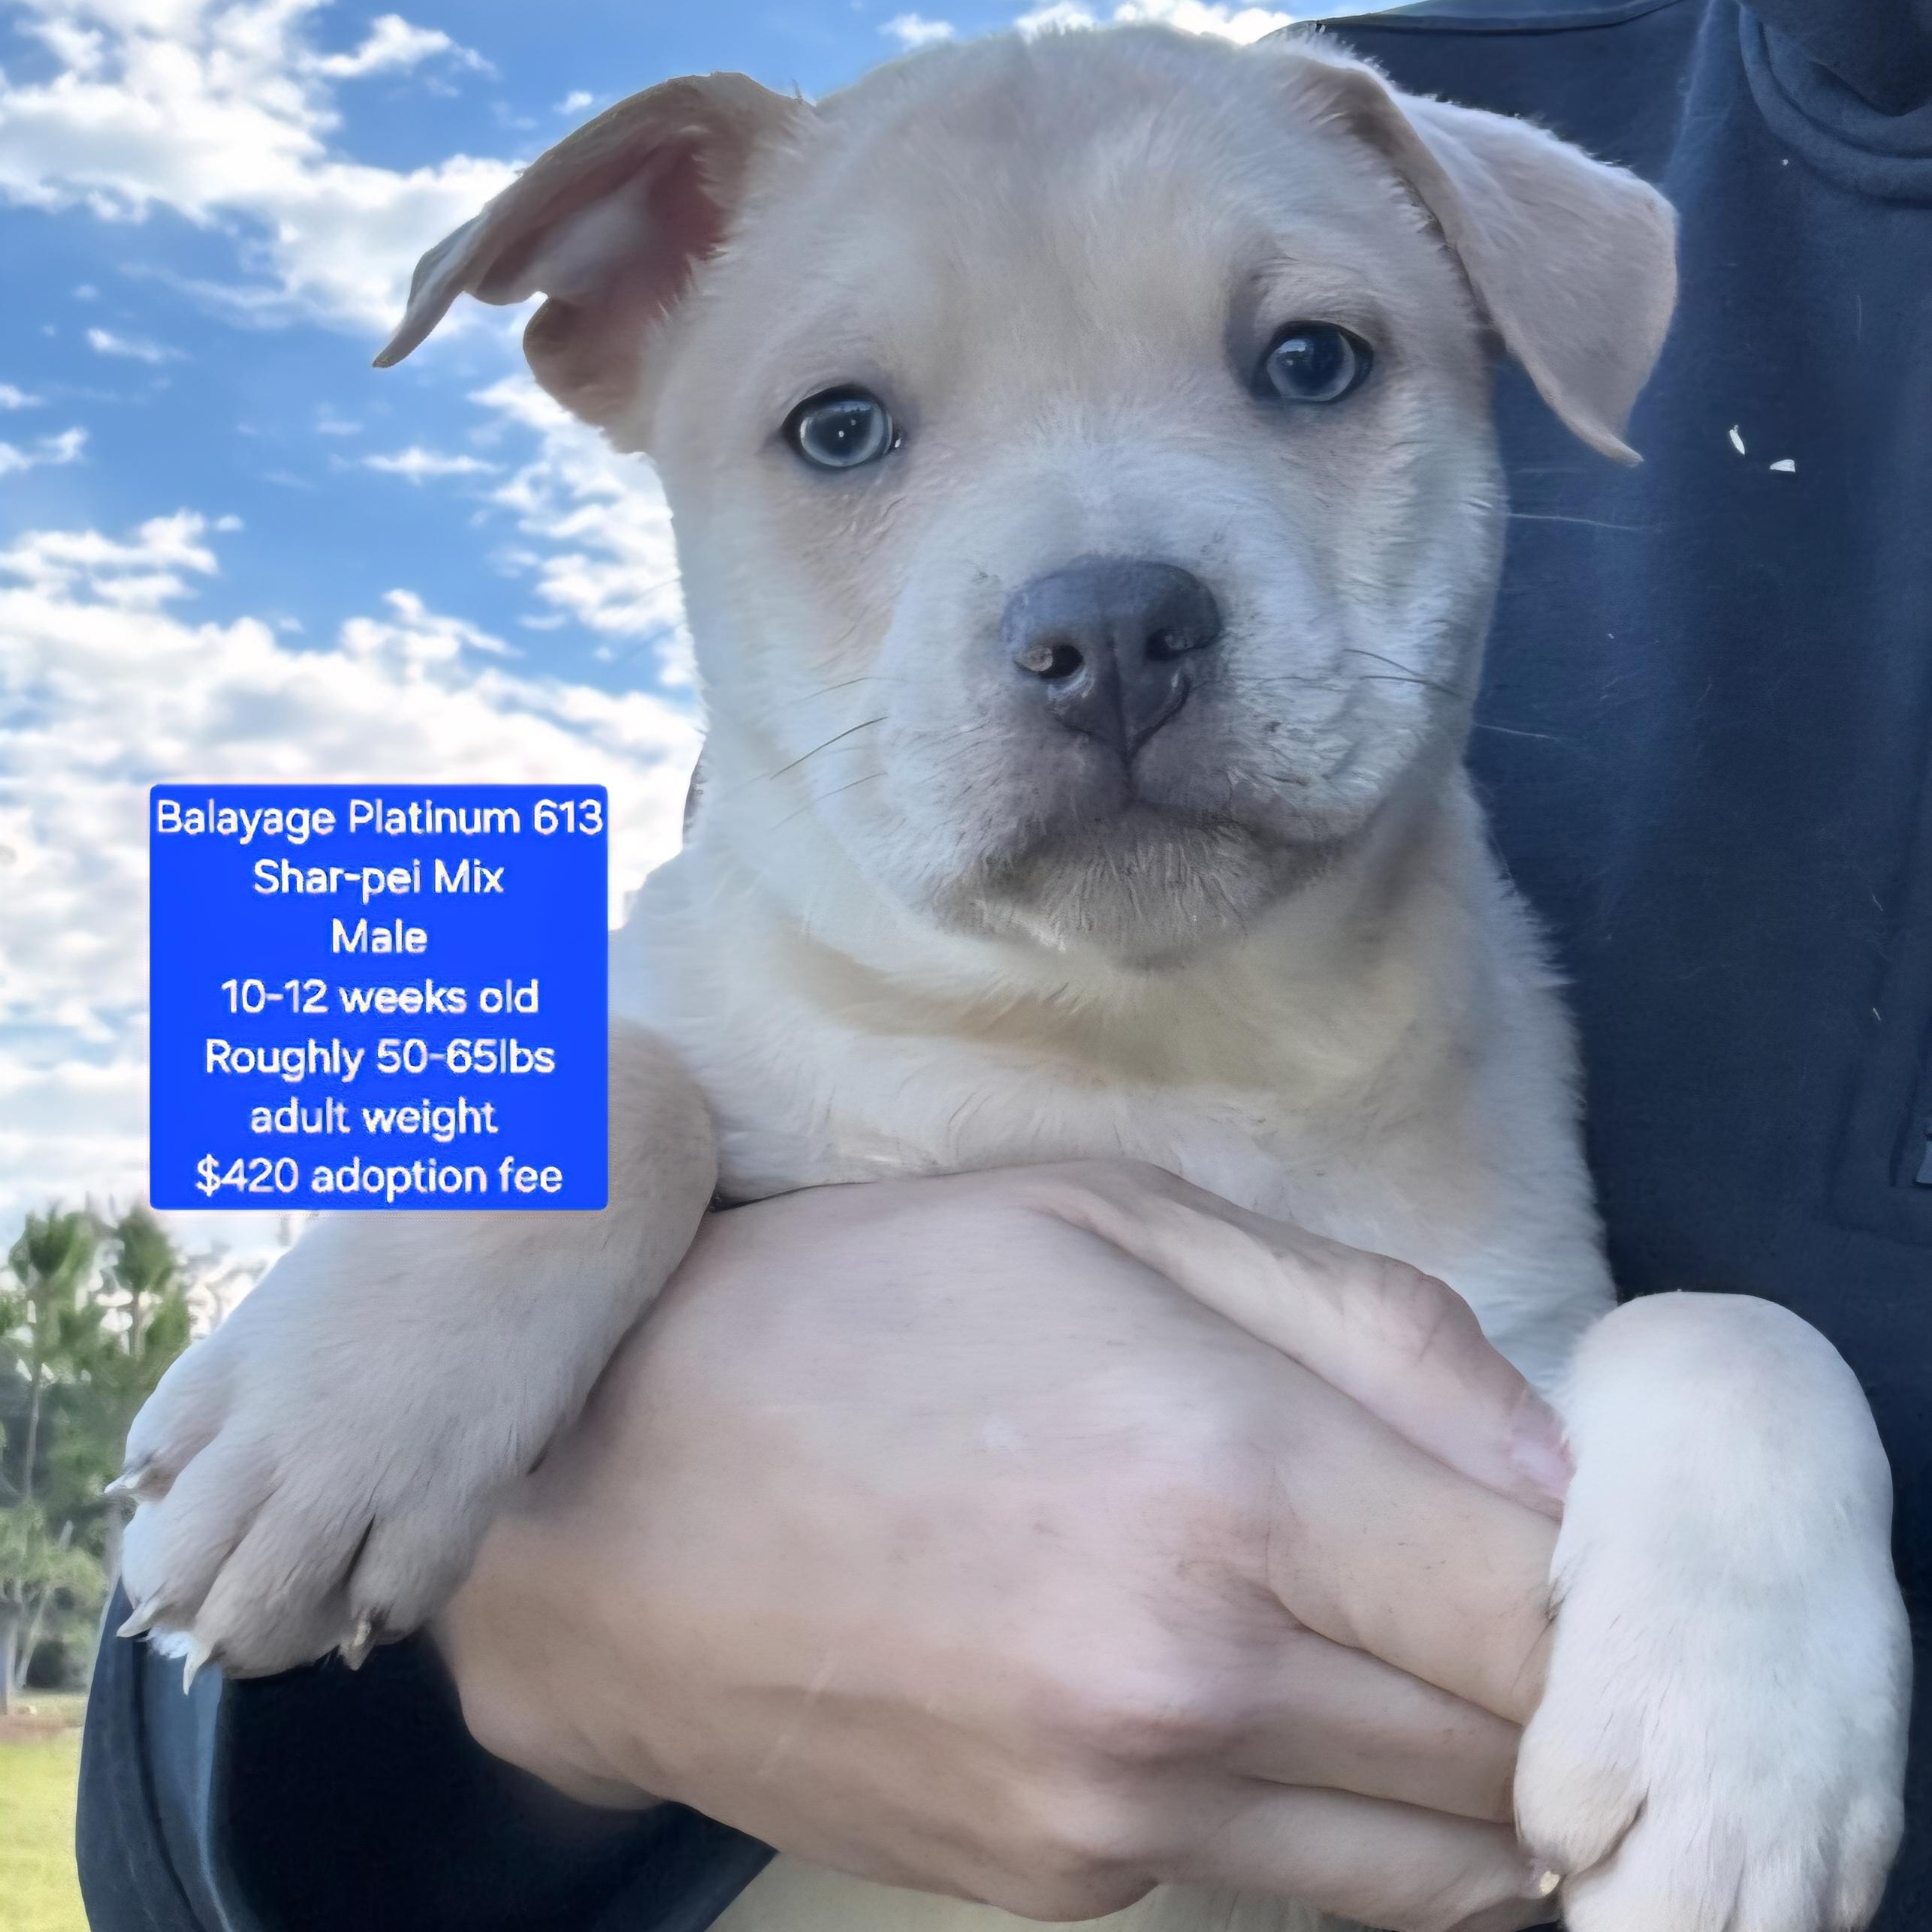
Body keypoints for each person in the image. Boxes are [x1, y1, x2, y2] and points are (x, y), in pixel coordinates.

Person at [77, 0, 1932, 1925]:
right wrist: (516, 1572)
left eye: (1302, 363)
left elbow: (1579, 1558)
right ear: (617, 335)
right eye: (847, 427)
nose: (1100, 592)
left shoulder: (1484, 1094)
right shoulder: (529, 1000)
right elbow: (184, 1654)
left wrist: (1743, 1435)